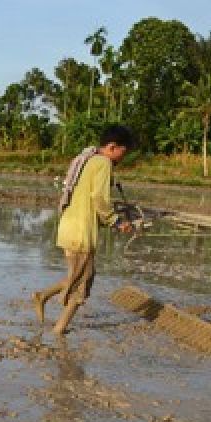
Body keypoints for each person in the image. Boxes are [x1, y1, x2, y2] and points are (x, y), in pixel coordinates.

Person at [32, 125, 135, 335]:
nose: (123, 158)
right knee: (82, 284)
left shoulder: (87, 159)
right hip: (81, 233)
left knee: (82, 277)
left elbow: (90, 195)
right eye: (123, 153)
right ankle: (59, 329)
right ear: (112, 147)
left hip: (68, 227)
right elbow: (99, 198)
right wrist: (116, 221)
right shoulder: (104, 163)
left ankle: (43, 297)